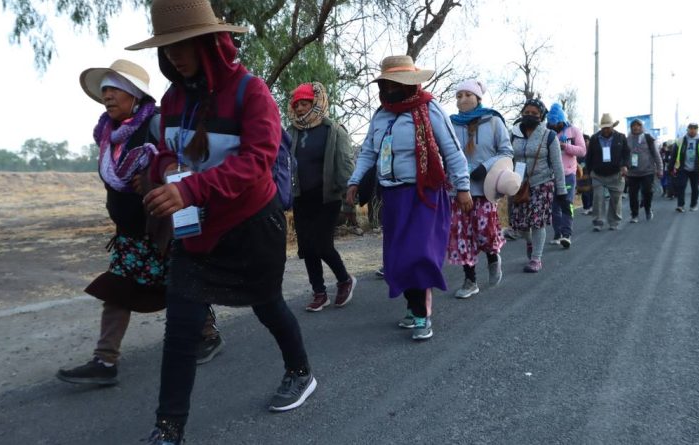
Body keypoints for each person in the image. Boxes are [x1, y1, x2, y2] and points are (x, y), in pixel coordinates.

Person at [127, 1, 316, 442]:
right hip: (196, 230)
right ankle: (168, 429)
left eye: (182, 43)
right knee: (181, 326)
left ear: (211, 42)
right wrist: (168, 171)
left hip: (252, 225)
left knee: (267, 305)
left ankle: (300, 371)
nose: (173, 54)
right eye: (166, 46)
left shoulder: (250, 92)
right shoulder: (173, 100)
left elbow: (258, 161)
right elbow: (170, 150)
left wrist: (189, 189)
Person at [56, 60, 223, 388]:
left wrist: (152, 179)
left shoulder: (157, 123)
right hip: (130, 232)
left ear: (134, 95)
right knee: (118, 288)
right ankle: (105, 361)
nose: (107, 96)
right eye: (104, 90)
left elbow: (181, 164)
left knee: (181, 284)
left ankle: (208, 333)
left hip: (161, 227)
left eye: (115, 89)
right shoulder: (107, 135)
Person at [345, 55, 472, 340]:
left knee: (419, 254)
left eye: (395, 83)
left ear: (409, 84)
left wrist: (462, 188)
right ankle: (413, 308)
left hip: (425, 194)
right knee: (398, 258)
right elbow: (368, 151)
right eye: (386, 83)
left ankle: (422, 314)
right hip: (392, 194)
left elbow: (452, 150)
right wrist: (354, 181)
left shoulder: (429, 109)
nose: (389, 88)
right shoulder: (381, 114)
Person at [286, 82, 357, 312]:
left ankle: (345, 280)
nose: (299, 109)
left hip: (327, 197)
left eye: (304, 103)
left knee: (323, 244)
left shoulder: (333, 130)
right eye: (296, 104)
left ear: (315, 103)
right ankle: (319, 292)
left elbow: (345, 164)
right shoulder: (291, 132)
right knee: (307, 247)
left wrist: (349, 200)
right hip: (301, 197)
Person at [446, 79, 512, 299]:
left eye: (467, 95)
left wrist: (486, 167)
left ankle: (493, 257)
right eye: (458, 96)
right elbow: (445, 153)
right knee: (463, 235)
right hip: (458, 189)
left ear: (477, 98)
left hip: (485, 188)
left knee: (485, 233)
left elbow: (506, 151)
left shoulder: (493, 121)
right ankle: (470, 280)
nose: (462, 99)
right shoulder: (451, 124)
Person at [508, 99, 568, 272]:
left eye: (535, 113)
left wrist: (562, 191)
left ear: (541, 116)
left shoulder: (549, 136)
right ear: (522, 113)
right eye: (527, 112)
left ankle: (536, 259)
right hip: (519, 183)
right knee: (521, 223)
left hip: (542, 183)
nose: (530, 116)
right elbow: (507, 156)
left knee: (537, 222)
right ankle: (529, 242)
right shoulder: (514, 133)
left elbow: (557, 165)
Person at [545, 103, 586, 248]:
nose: (556, 126)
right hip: (551, 176)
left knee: (567, 203)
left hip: (568, 174)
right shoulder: (547, 132)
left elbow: (582, 151)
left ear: (563, 120)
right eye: (553, 124)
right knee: (553, 206)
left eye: (558, 123)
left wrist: (566, 147)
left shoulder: (573, 131)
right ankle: (558, 234)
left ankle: (566, 234)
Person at [585, 113, 630, 231]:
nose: (605, 129)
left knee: (615, 199)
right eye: (603, 127)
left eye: (608, 127)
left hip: (616, 173)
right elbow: (589, 156)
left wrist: (625, 165)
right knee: (598, 198)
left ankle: (614, 221)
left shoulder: (621, 137)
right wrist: (589, 171)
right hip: (598, 174)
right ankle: (598, 222)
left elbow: (626, 153)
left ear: (612, 127)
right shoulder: (594, 138)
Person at [669, 123, 699, 212]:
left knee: (695, 187)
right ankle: (680, 205)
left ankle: (693, 205)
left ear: (697, 130)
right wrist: (670, 168)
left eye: (694, 128)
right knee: (681, 186)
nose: (692, 130)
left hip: (696, 168)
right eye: (691, 128)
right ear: (687, 129)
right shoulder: (680, 140)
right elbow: (673, 154)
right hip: (683, 167)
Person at [626, 119, 663, 222]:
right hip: (632, 173)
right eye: (633, 125)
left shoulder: (648, 138)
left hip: (647, 171)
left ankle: (648, 209)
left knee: (647, 192)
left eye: (638, 125)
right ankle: (634, 215)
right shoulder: (627, 139)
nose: (636, 127)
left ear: (642, 127)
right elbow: (623, 155)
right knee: (632, 195)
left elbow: (656, 155)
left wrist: (660, 169)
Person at [577, 134, 593, 214]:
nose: (584, 143)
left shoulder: (592, 151)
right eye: (583, 141)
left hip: (591, 174)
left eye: (586, 141)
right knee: (584, 192)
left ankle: (592, 206)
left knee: (592, 191)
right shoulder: (579, 152)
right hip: (582, 175)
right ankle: (586, 207)